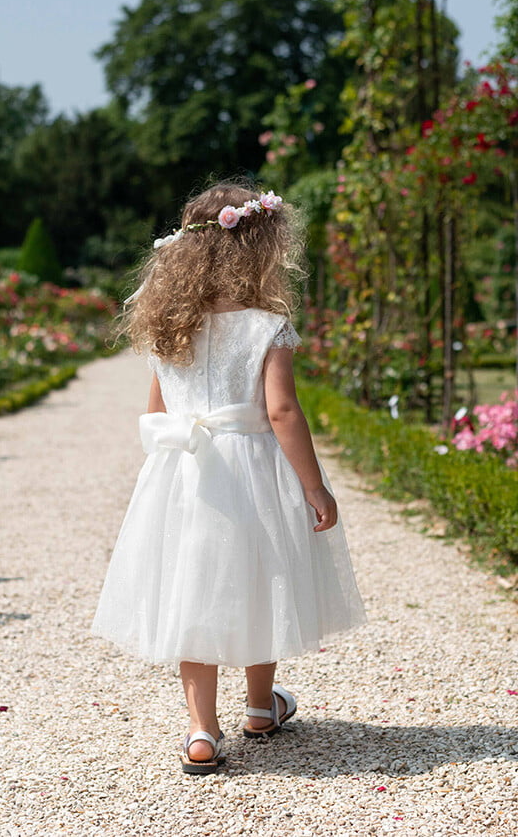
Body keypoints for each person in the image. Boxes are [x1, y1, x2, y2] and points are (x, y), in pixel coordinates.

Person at [92, 182, 366, 775]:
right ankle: (261, 707)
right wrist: (314, 485)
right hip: (252, 466)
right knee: (261, 576)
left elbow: (156, 411)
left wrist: (162, 471)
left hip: (185, 471)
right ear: (259, 249)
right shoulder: (267, 324)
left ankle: (201, 731)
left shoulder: (167, 324)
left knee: (192, 590)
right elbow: (282, 412)